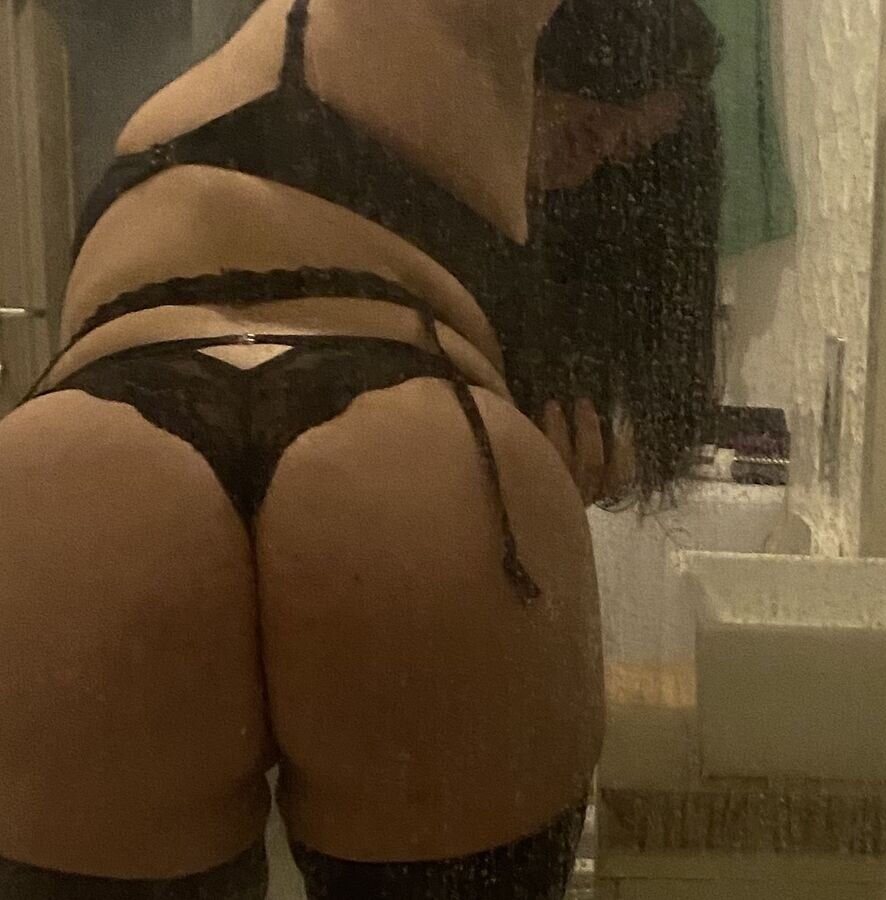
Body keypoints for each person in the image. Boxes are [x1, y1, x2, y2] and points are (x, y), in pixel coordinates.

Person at [0, 0, 719, 896]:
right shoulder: (466, 57)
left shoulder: (249, 91)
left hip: (84, 469)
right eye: (599, 127)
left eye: (621, 155)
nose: (593, 159)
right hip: (410, 462)